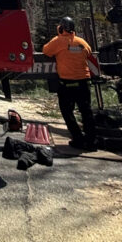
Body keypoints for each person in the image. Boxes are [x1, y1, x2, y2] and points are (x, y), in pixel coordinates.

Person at [42, 16, 97, 149]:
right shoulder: (82, 42)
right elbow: (89, 52)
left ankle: (78, 138)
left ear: (61, 28)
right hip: (84, 83)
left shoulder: (58, 41)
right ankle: (91, 141)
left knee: (67, 112)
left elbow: (46, 51)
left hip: (67, 84)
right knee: (86, 112)